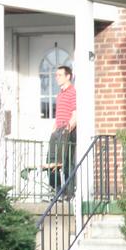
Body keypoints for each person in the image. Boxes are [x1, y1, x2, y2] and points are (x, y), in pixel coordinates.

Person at [47, 65, 76, 198]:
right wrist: (54, 129)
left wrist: (68, 128)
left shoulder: (73, 92)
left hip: (67, 131)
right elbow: (59, 114)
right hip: (57, 130)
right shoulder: (59, 95)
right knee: (52, 160)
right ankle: (56, 190)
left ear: (68, 76)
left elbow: (76, 113)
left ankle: (69, 193)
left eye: (59, 75)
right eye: (56, 75)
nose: (57, 78)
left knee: (66, 162)